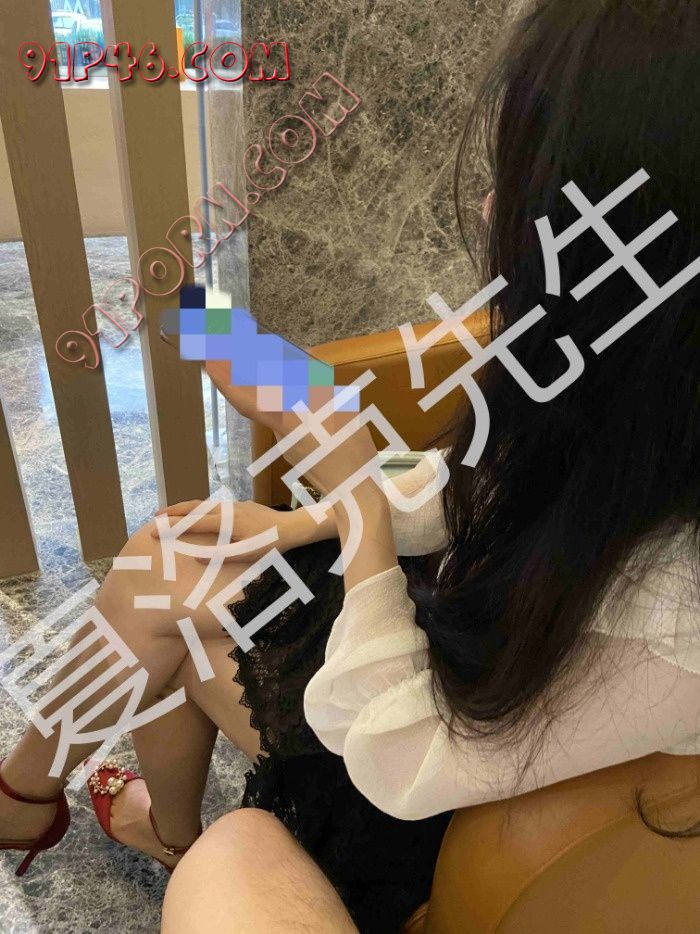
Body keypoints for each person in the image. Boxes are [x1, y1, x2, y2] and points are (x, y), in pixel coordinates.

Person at [2, 0, 700, 930]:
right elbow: (484, 485)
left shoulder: (677, 607)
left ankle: (76, 815)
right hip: (478, 634)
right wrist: (309, 518)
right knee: (178, 548)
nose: (487, 209)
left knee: (173, 590)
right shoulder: (634, 388)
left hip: (437, 761)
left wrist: (355, 503)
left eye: (521, 182)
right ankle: (120, 822)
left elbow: (409, 757)